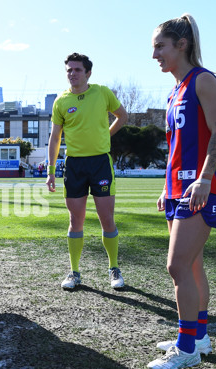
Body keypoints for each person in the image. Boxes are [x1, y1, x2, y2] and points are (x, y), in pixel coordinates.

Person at [147, 14, 216, 369]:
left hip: (200, 188)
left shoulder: (203, 80)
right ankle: (200, 337)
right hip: (178, 189)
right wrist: (167, 187)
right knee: (192, 266)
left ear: (182, 45)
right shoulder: (174, 90)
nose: (155, 56)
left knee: (176, 266)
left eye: (160, 47)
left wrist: (205, 179)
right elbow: (176, 147)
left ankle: (186, 348)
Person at [46, 53, 128, 291]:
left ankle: (113, 268)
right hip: (74, 166)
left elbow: (123, 116)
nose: (72, 74)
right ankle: (74, 272)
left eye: (77, 70)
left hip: (100, 163)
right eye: (69, 70)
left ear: (88, 73)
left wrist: (106, 135)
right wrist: (51, 171)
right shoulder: (61, 101)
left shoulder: (102, 92)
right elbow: (54, 138)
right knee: (75, 220)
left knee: (107, 219)